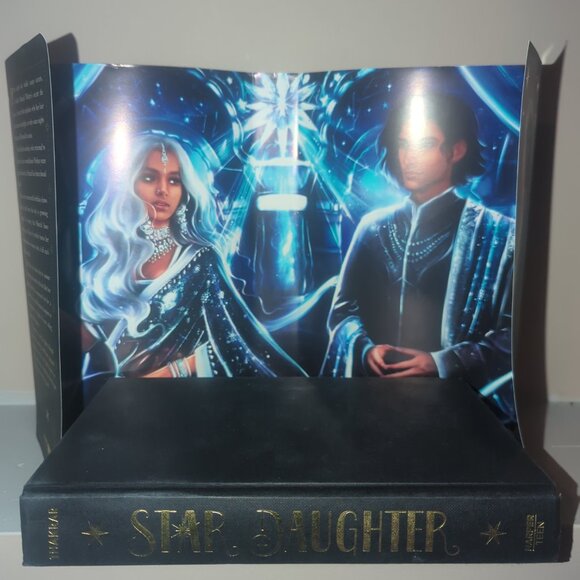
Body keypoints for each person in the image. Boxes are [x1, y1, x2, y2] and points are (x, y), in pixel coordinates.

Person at [322, 93, 515, 420]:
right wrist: (365, 350)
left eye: (425, 144)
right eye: (403, 144)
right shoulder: (372, 227)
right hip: (371, 407)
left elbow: (513, 336)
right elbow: (342, 312)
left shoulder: (499, 233)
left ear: (456, 150)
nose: (409, 157)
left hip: (459, 415)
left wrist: (441, 363)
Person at [81, 134, 305, 402]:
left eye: (173, 180)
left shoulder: (201, 260)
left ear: (184, 190)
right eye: (150, 177)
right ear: (128, 184)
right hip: (113, 402)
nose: (163, 190)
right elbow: (87, 340)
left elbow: (232, 342)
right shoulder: (112, 261)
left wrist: (172, 371)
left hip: (179, 400)